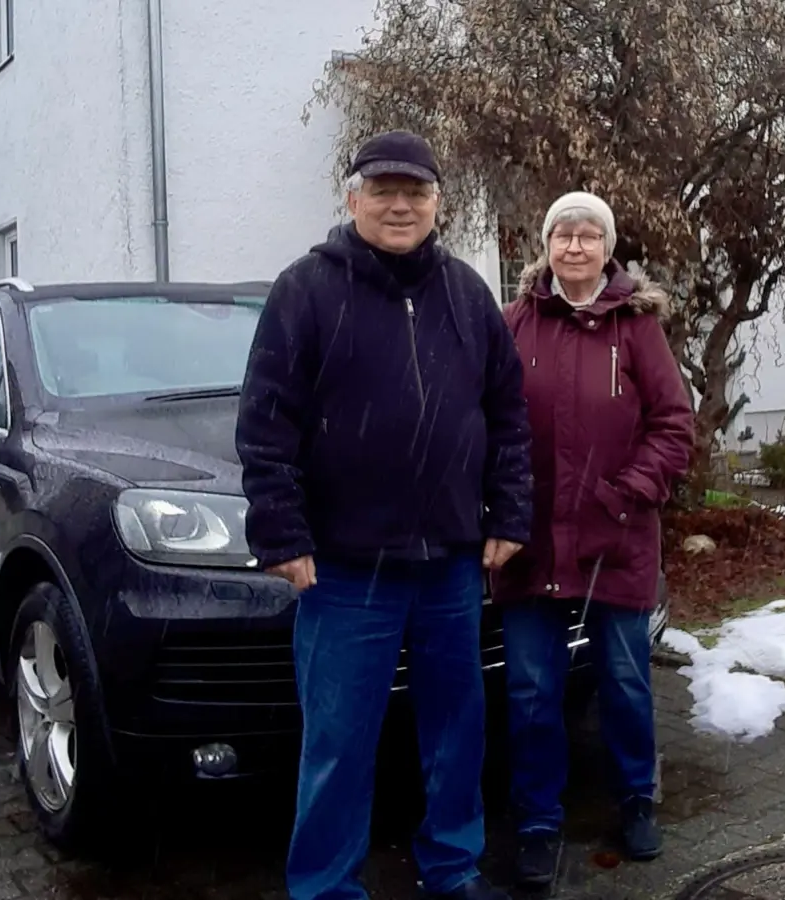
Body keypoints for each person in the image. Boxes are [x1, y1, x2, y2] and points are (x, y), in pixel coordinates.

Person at [236, 130, 533, 900]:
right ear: (353, 197)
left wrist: (509, 513)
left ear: (438, 202)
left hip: (450, 566)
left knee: (455, 732)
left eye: (416, 192)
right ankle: (328, 887)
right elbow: (266, 422)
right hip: (343, 569)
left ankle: (453, 868)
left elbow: (507, 415)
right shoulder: (306, 289)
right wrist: (281, 529)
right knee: (339, 739)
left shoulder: (467, 295)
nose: (400, 205)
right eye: (384, 189)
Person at [491, 191, 694, 889]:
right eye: (562, 235)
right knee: (531, 691)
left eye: (588, 236)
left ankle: (636, 798)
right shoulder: (514, 323)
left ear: (608, 250)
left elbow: (674, 425)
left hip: (617, 537)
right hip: (532, 540)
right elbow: (486, 421)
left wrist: (626, 492)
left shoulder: (636, 329)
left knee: (626, 683)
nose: (574, 246)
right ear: (545, 247)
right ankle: (539, 820)